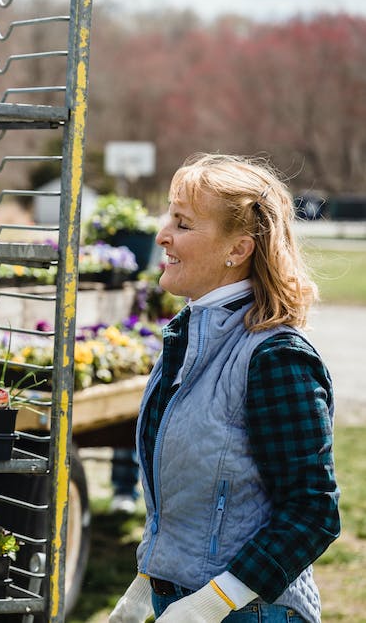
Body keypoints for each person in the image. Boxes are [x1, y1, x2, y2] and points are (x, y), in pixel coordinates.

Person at [109, 153, 340, 623]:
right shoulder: (183, 337)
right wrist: (146, 584)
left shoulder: (276, 358)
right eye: (168, 217)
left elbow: (313, 512)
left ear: (237, 250)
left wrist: (213, 602)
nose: (162, 236)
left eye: (184, 223)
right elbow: (189, 499)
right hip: (179, 601)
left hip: (252, 613)